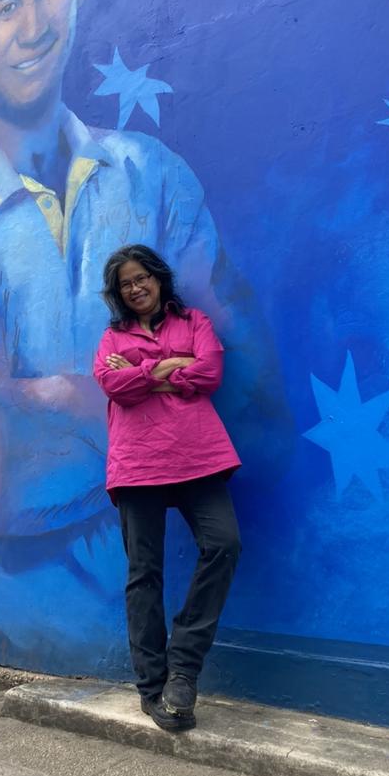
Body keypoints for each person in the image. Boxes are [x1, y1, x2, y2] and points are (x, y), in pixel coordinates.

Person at [0, 0, 287, 666]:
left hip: (126, 627)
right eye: (6, 4)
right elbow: (1, 478)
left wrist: (55, 393)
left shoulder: (152, 173)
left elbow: (251, 387)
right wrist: (161, 389)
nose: (35, 23)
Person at [94, 244, 242, 732]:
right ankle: (153, 686)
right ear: (118, 295)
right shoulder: (111, 337)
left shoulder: (194, 321)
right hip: (137, 464)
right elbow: (111, 386)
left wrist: (143, 373)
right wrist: (169, 367)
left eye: (142, 278)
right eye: (125, 285)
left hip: (198, 456)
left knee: (223, 545)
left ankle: (184, 664)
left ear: (158, 278)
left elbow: (211, 372)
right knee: (144, 574)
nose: (135, 289)